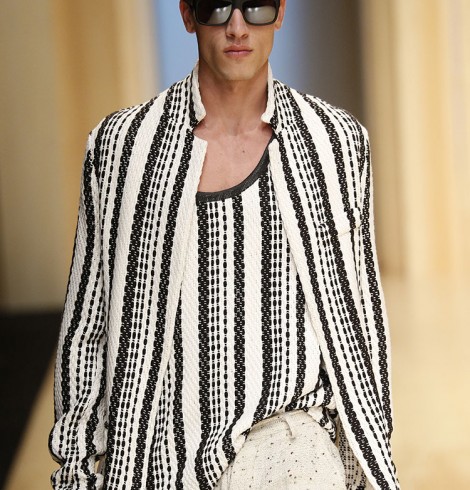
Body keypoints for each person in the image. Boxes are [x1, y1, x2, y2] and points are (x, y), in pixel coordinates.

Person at [48, 0, 400, 488]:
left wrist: (369, 461)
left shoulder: (334, 142)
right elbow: (87, 325)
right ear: (187, 15)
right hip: (158, 452)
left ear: (280, 12)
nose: (237, 27)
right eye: (217, 7)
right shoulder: (122, 148)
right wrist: (76, 473)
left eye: (256, 6)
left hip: (292, 446)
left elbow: (361, 317)